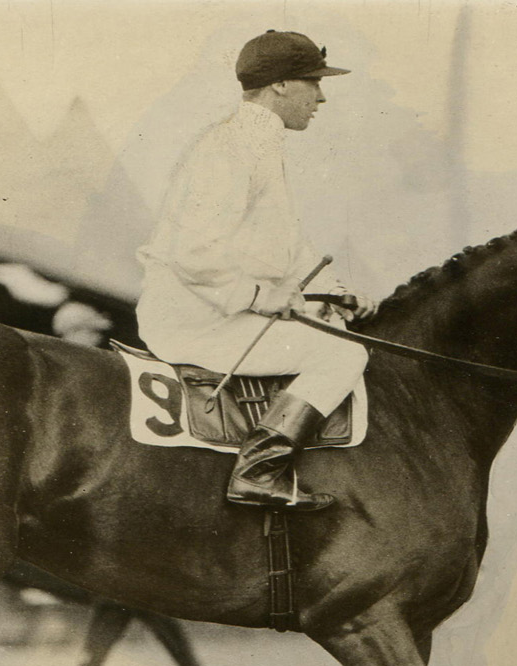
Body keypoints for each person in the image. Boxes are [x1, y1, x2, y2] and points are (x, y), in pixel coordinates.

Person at [136, 29, 377, 511]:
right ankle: (258, 470)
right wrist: (263, 298)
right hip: (196, 322)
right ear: (282, 86)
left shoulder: (257, 145)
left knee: (336, 333)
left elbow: (287, 248)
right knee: (343, 356)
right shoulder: (230, 148)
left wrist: (334, 292)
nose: (322, 96)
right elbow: (193, 253)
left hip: (218, 312)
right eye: (314, 82)